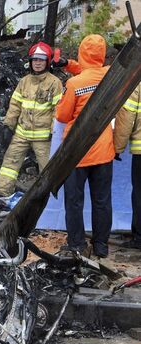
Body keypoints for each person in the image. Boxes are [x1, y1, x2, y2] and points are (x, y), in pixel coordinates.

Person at [55, 34, 115, 258]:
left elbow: (62, 116)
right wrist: (69, 65)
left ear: (81, 52)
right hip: (103, 151)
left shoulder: (74, 84)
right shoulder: (110, 74)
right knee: (102, 201)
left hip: (76, 153)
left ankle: (77, 245)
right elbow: (90, 68)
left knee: (74, 201)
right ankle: (101, 246)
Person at [0, 42, 63, 197]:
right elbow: (15, 106)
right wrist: (8, 127)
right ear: (30, 61)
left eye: (41, 59)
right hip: (22, 133)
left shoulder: (54, 82)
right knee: (9, 165)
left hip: (43, 137)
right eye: (35, 59)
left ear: (48, 61)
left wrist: (55, 131)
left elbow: (58, 109)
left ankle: (49, 202)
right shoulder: (24, 81)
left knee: (48, 170)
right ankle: (2, 195)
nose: (37, 63)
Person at [114, 82, 141, 249]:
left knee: (140, 194)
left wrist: (118, 147)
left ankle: (139, 238)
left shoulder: (137, 85)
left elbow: (127, 117)